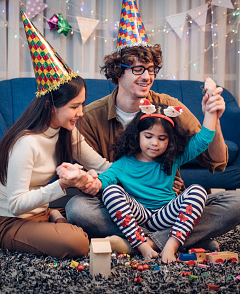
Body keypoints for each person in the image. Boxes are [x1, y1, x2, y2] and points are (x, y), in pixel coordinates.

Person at [65, 0, 240, 253]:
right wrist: (82, 178)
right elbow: (94, 181)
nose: (148, 76)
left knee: (238, 204)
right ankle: (184, 239)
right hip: (122, 208)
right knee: (77, 208)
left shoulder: (169, 109)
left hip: (169, 207)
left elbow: (214, 161)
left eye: (151, 69)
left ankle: (144, 243)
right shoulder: (91, 117)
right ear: (118, 72)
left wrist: (214, 116)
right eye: (138, 69)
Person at [0, 11, 110, 259]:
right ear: (51, 106)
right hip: (8, 222)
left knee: (84, 222)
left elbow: (102, 165)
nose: (81, 113)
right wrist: (62, 185)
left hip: (43, 215)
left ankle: (56, 220)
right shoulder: (26, 143)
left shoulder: (68, 133)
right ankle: (59, 223)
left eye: (82, 105)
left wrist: (97, 179)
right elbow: (16, 204)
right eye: (75, 107)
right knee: (78, 244)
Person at [62, 79, 218, 263]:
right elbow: (101, 182)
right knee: (104, 194)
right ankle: (143, 244)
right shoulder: (123, 163)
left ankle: (171, 245)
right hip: (137, 214)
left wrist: (210, 111)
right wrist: (85, 179)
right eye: (149, 136)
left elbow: (203, 139)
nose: (154, 143)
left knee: (201, 191)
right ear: (137, 136)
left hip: (166, 214)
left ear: (170, 141)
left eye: (162, 138)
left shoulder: (173, 157)